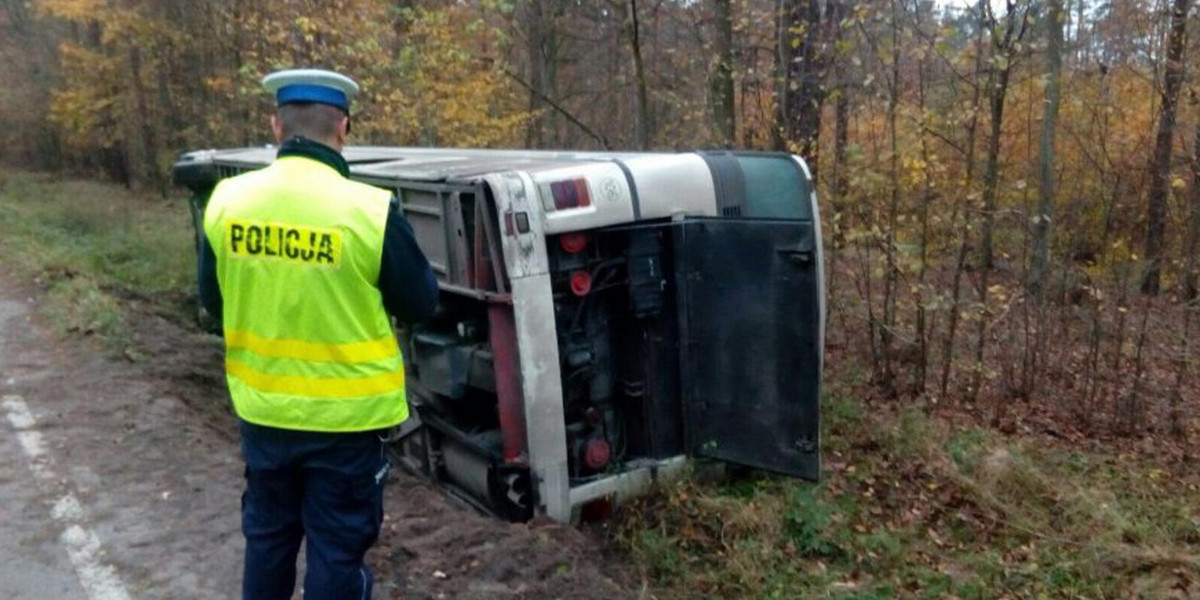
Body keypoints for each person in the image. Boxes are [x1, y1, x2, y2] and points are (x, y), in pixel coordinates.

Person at [197, 68, 438, 600]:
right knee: (336, 550)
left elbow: (214, 303)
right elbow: (422, 303)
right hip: (347, 425)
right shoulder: (369, 212)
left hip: (263, 412)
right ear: (343, 128)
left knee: (268, 540)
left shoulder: (227, 202)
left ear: (276, 127)